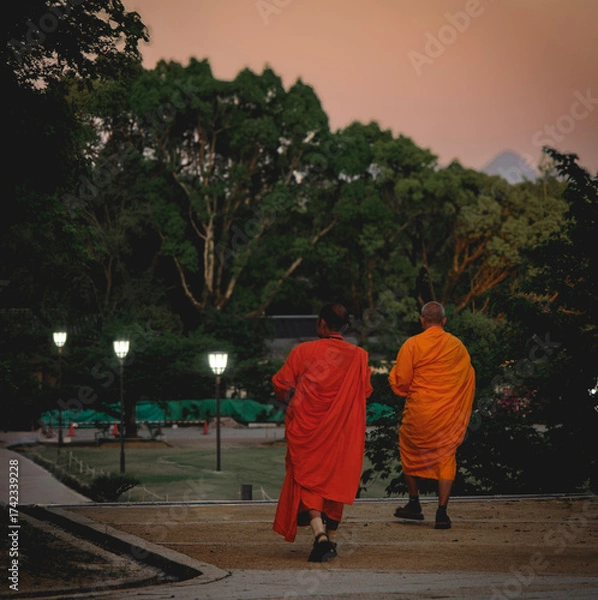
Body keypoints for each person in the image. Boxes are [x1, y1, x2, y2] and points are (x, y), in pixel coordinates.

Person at [272, 303, 373, 562]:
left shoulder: (304, 351)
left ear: (322, 324)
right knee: (334, 479)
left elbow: (281, 385)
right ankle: (331, 537)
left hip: (308, 428)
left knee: (307, 476)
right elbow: (365, 392)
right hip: (342, 430)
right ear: (345, 327)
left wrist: (291, 400)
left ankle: (320, 536)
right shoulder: (359, 356)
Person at [388, 301, 475, 529]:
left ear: (422, 321)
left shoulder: (412, 344)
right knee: (446, 455)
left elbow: (403, 381)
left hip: (420, 412)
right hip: (447, 415)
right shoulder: (457, 346)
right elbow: (468, 376)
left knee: (407, 448)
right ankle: (442, 512)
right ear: (444, 321)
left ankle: (414, 502)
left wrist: (395, 380)